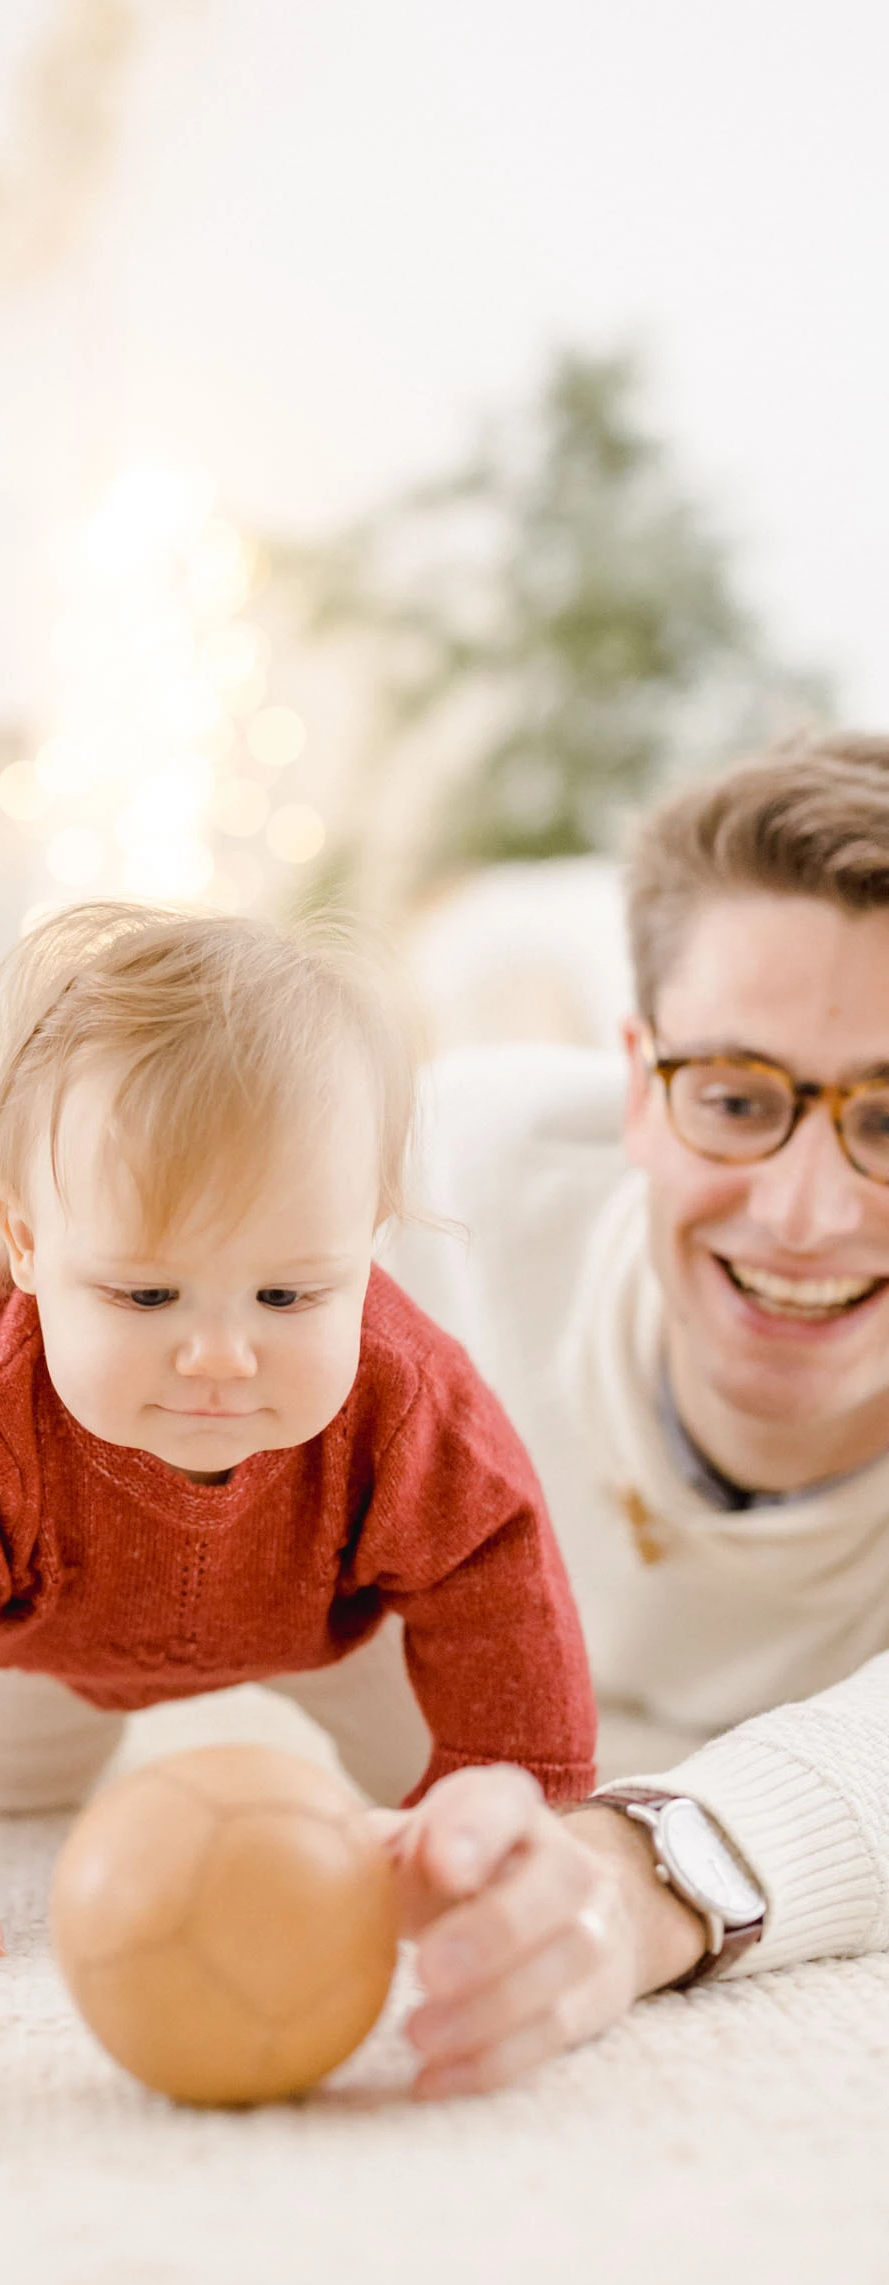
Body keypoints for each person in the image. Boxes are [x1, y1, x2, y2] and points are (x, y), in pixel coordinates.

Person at [0, 903, 597, 1982]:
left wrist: (515, 1786)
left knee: (471, 1814)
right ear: (24, 1241)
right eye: (148, 1293)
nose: (218, 1355)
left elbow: (500, 1573)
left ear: (371, 1242)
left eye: (288, 1293)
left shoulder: (409, 1395)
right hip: (41, 1646)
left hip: (336, 1633)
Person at [268, 729, 889, 2093]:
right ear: (637, 1086)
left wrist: (649, 1869)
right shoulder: (424, 1178)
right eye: (735, 1098)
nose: (804, 1211)